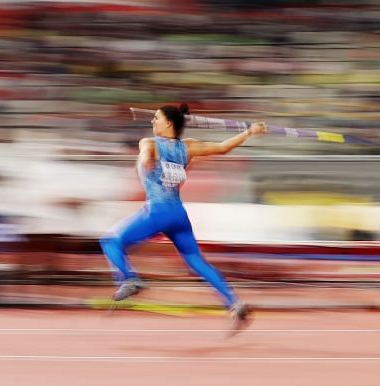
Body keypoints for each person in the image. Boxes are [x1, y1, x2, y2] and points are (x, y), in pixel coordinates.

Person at [100, 103, 267, 332]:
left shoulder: (149, 143)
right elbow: (222, 148)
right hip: (178, 214)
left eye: (156, 118)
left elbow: (145, 154)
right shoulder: (188, 148)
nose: (152, 121)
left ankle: (129, 279)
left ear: (169, 123)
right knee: (196, 261)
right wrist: (250, 132)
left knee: (110, 241)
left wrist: (144, 161)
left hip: (157, 211)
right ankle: (233, 303)